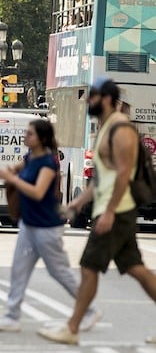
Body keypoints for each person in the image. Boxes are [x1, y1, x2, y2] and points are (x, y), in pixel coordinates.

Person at [39, 78, 156, 345]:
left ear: (105, 98)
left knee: (89, 267)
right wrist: (78, 203)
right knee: (137, 269)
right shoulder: (106, 128)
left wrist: (110, 212)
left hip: (117, 211)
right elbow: (104, 176)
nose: (88, 101)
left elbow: (124, 174)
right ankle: (72, 327)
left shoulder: (121, 128)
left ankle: (72, 328)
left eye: (92, 96)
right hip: (114, 210)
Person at [0, 119, 102, 333]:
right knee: (19, 270)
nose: (26, 136)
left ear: (41, 139)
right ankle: (11, 316)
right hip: (28, 223)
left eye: (30, 134)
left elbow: (37, 192)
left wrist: (11, 179)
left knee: (59, 271)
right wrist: (9, 172)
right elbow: (16, 169)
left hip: (46, 227)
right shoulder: (30, 158)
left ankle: (90, 310)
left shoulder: (48, 163)